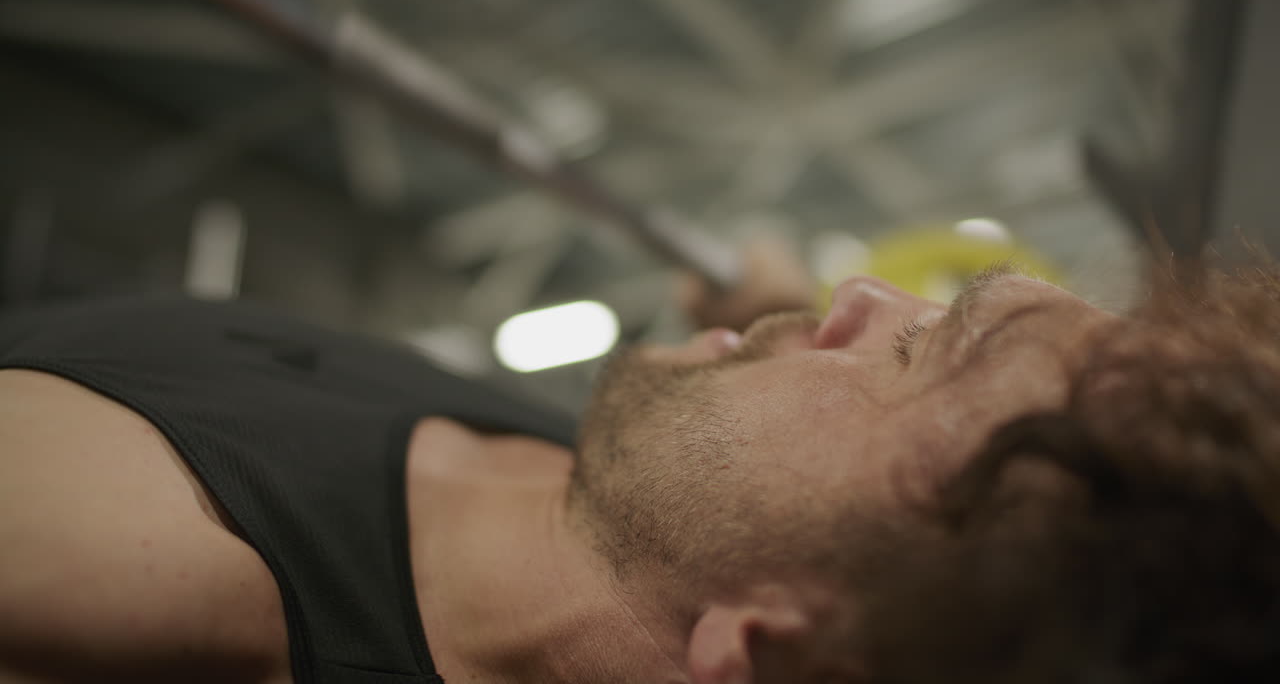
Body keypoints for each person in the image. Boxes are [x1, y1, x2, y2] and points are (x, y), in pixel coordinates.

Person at [1, 238, 1278, 684]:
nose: (855, 296)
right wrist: (776, 316)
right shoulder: (648, 520)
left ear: (777, 646)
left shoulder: (132, 589)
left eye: (919, 354)